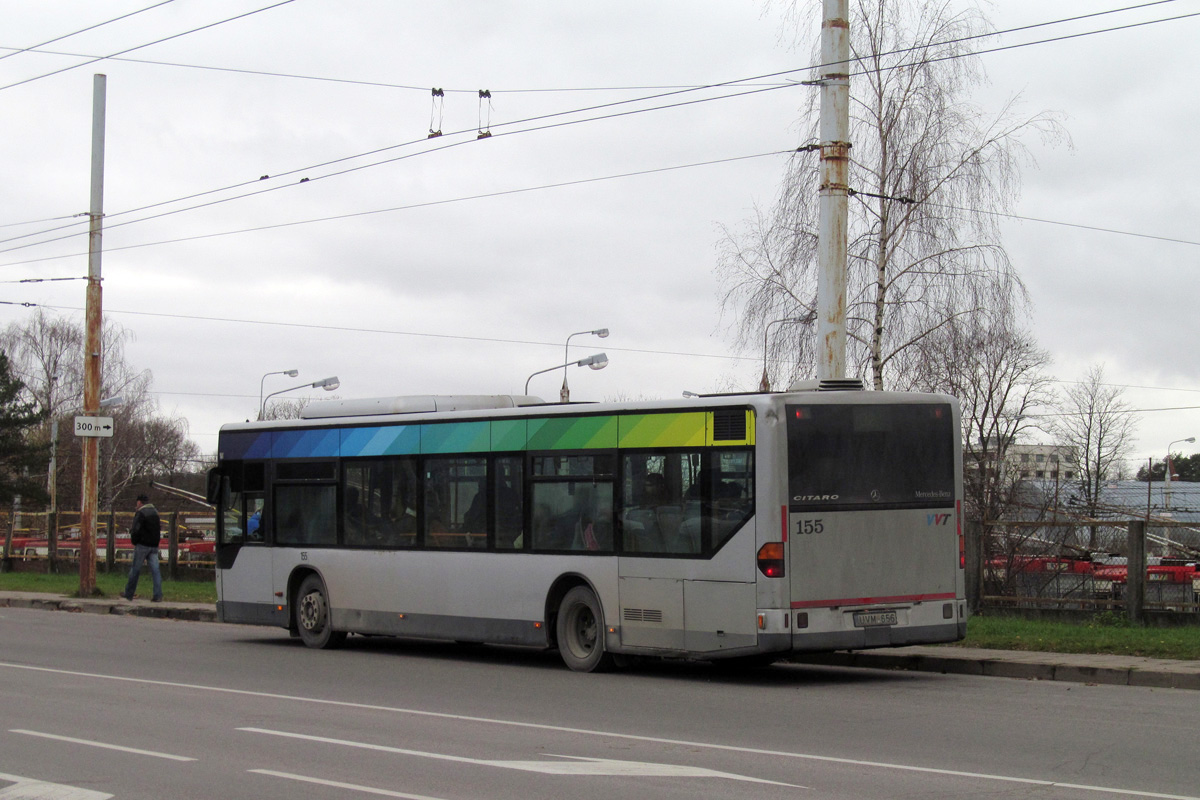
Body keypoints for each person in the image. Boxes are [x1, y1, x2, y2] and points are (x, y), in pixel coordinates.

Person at [121, 494, 163, 602]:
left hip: (142, 545)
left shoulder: (141, 513)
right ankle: (158, 595)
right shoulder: (155, 512)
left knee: (135, 569)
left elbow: (136, 529)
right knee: (156, 571)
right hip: (154, 545)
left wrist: (134, 541)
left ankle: (129, 593)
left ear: (139, 502)